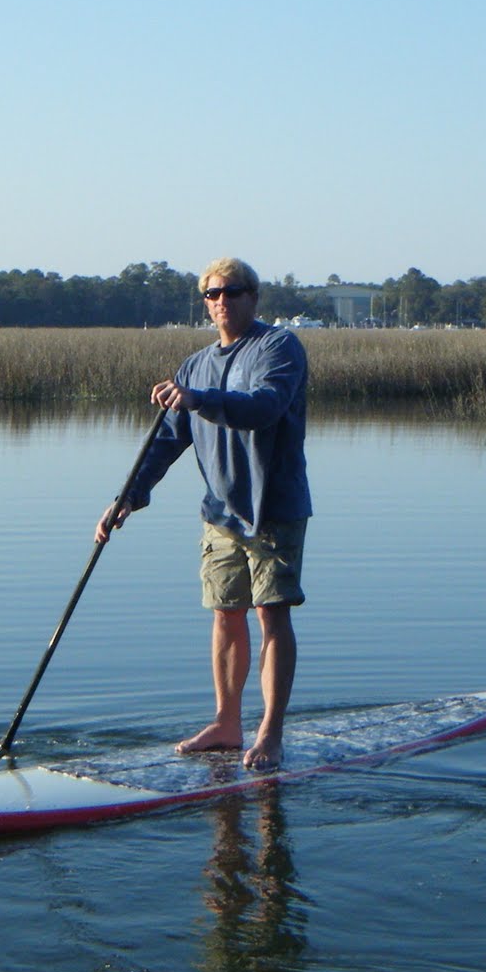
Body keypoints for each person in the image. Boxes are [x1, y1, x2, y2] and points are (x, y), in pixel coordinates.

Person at [96, 257, 312, 770]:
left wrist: (197, 399)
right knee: (225, 613)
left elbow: (263, 406)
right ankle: (226, 722)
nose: (220, 302)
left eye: (231, 292)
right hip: (220, 513)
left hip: (273, 509)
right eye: (211, 295)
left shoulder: (278, 347)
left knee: (270, 613)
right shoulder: (194, 364)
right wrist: (128, 495)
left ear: (253, 297)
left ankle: (270, 732)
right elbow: (168, 439)